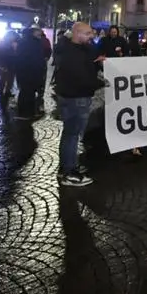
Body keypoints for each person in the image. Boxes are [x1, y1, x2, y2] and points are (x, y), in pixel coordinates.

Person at [52, 22, 104, 187]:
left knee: (70, 134)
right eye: (88, 33)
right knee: (73, 135)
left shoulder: (78, 49)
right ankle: (69, 172)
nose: (92, 36)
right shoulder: (71, 53)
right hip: (76, 97)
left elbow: (89, 64)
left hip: (73, 96)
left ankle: (66, 167)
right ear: (77, 34)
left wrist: (97, 62)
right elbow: (82, 78)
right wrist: (99, 83)